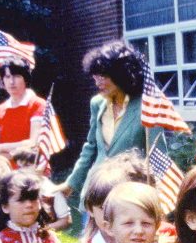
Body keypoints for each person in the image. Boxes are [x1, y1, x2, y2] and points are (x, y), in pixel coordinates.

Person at [60, 40, 148, 213]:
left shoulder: (147, 106)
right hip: (95, 193)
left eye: (103, 75)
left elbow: (156, 154)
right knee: (91, 241)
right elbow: (90, 148)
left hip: (129, 196)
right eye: (95, 75)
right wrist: (70, 184)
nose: (97, 81)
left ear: (121, 74)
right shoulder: (97, 103)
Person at [0, 59, 46, 162]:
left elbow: (33, 144)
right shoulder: (0, 110)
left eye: (17, 76)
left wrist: (1, 148)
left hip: (31, 171)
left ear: (25, 79)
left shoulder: (38, 104)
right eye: (7, 77)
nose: (11, 82)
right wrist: (12, 152)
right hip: (5, 172)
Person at [10, 145, 72, 233]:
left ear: (39, 165)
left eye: (27, 166)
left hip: (42, 235)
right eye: (19, 167)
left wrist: (43, 230)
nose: (21, 171)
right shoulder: (12, 189)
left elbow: (66, 220)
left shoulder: (50, 189)